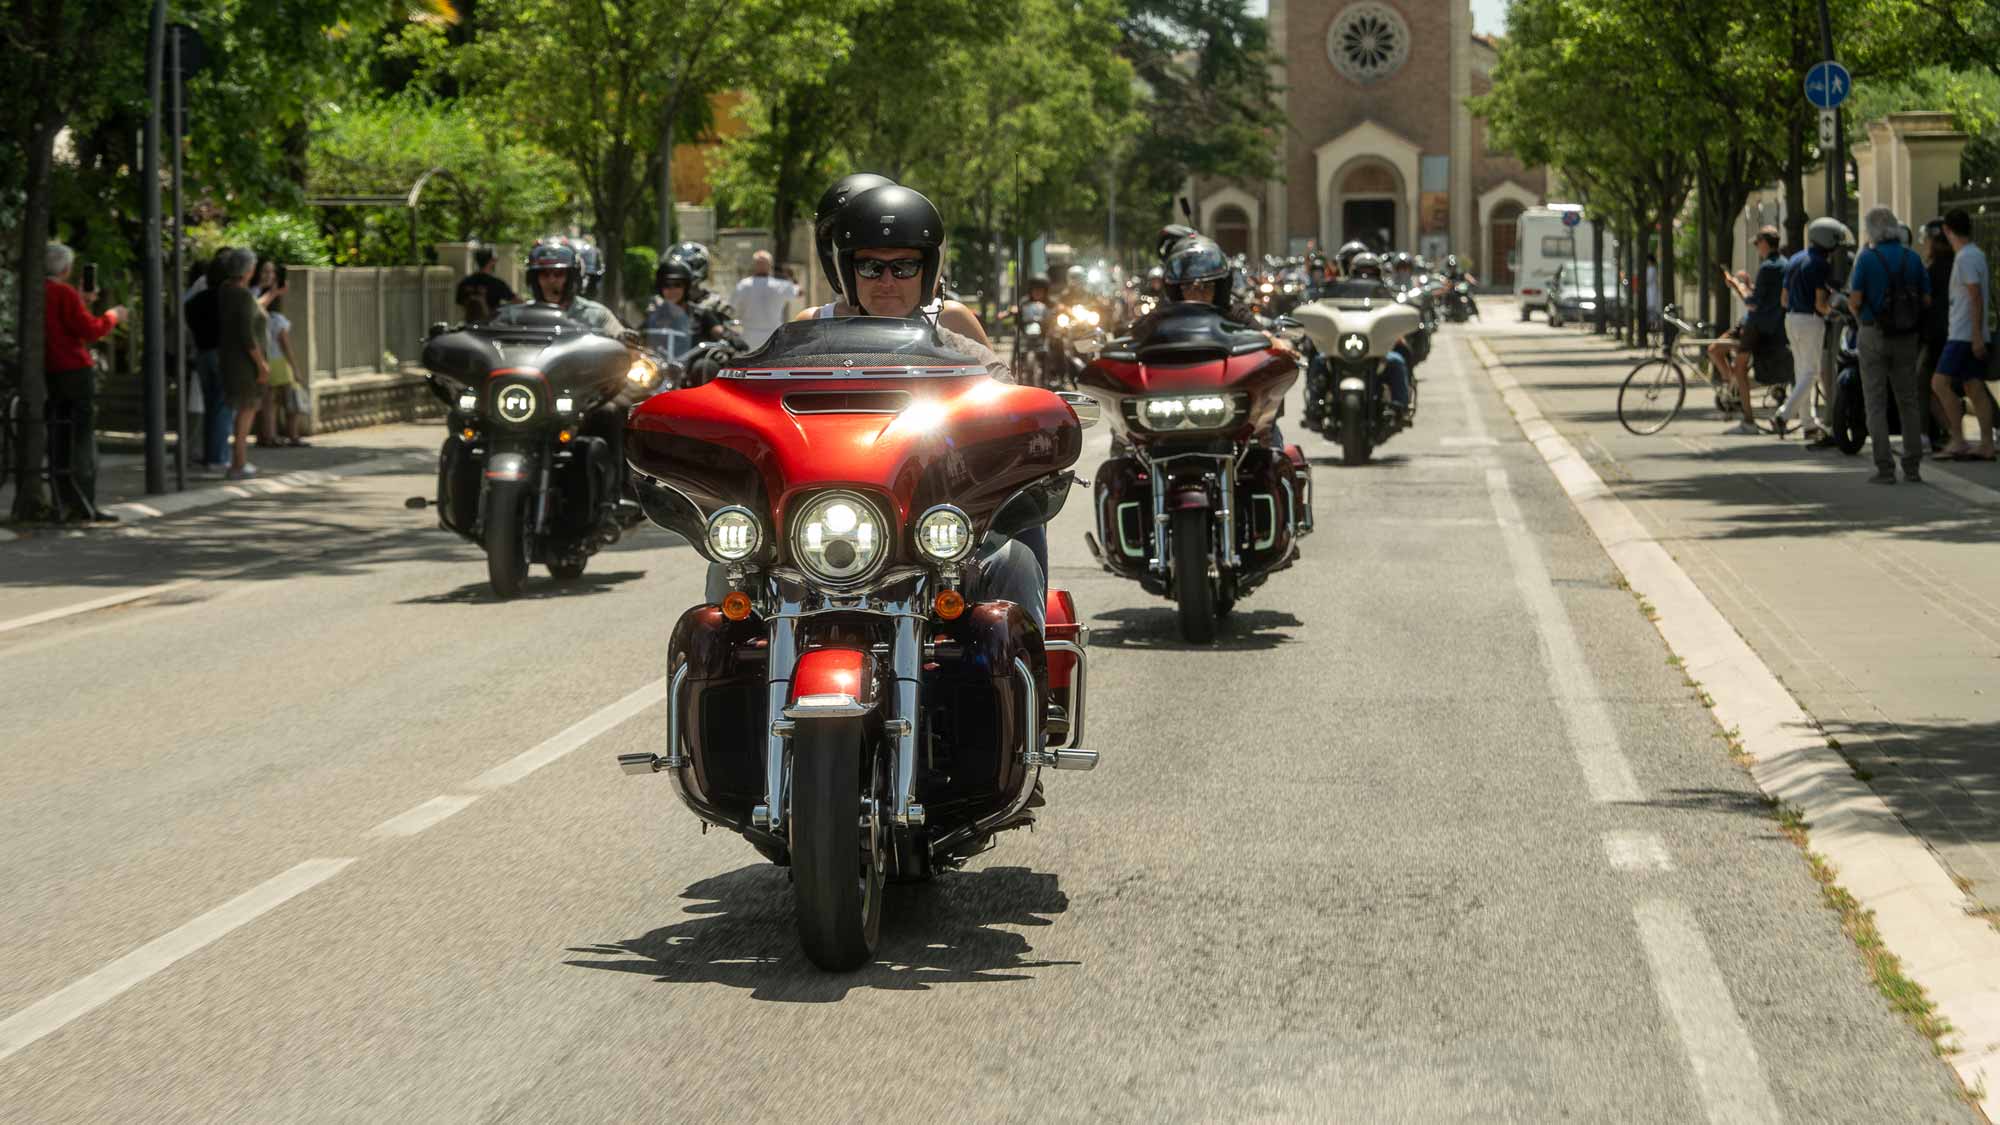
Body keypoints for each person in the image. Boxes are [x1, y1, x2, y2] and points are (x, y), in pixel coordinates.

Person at [791, 173, 992, 346]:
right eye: (869, 266)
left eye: (905, 266)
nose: (887, 282)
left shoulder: (952, 320)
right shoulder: (815, 323)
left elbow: (997, 386)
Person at [1845, 205, 1932, 483]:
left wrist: (1860, 317)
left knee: (1875, 402)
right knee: (1908, 401)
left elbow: (1855, 299)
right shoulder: (1912, 258)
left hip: (1873, 333)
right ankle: (1913, 466)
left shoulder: (1867, 259)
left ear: (1871, 230)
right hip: (1907, 336)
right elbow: (1927, 300)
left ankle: (1884, 468)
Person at [42, 241, 126, 521]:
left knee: (59, 436)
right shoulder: (64, 293)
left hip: (50, 370)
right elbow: (89, 329)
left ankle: (62, 497)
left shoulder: (40, 292)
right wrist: (113, 316)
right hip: (74, 370)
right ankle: (83, 500)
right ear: (65, 269)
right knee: (82, 437)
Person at [1932, 208, 1994, 461]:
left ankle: (1958, 439)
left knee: (1938, 383)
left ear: (1948, 230)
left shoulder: (1965, 258)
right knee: (1974, 387)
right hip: (1970, 332)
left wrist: (1976, 335)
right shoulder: (1975, 254)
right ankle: (1987, 444)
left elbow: (1975, 295)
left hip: (1963, 334)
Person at [1776, 218, 1845, 440]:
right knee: (1812, 372)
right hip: (1810, 321)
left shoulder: (1795, 258)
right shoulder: (1820, 264)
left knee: (1801, 372)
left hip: (1791, 319)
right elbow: (1820, 304)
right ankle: (1784, 414)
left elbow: (1784, 299)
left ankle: (1808, 424)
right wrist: (1835, 313)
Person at [1712, 227, 1785, 433]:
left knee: (1740, 368)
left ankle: (1748, 420)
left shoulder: (1768, 267)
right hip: (1771, 325)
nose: (1756, 248)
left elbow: (1752, 303)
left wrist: (1736, 285)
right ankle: (1735, 391)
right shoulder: (1784, 265)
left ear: (1764, 243)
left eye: (1757, 243)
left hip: (1756, 326)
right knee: (1721, 352)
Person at [215, 247, 268, 479]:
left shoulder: (225, 291)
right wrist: (261, 364)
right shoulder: (242, 295)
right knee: (247, 409)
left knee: (242, 410)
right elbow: (247, 335)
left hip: (230, 358)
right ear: (248, 269)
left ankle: (237, 461)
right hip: (244, 362)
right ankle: (239, 462)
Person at [184, 252, 231, 468]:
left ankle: (209, 454)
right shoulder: (227, 299)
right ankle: (218, 456)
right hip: (222, 354)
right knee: (222, 406)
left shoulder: (194, 302)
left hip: (203, 354)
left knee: (210, 405)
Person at [525, 238, 624, 334]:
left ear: (571, 278)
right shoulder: (520, 315)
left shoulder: (597, 315)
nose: (551, 280)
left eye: (559, 273)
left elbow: (628, 346)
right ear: (534, 279)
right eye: (544, 274)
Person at [257, 265, 308, 448]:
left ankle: (268, 435)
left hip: (264, 358)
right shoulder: (278, 320)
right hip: (279, 362)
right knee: (290, 399)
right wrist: (295, 369)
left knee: (268, 402)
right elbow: (286, 346)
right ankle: (292, 434)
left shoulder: (261, 318)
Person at [732, 249, 797, 349]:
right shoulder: (782, 285)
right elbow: (798, 293)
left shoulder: (743, 285)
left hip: (750, 336)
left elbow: (732, 306)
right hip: (774, 336)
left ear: (754, 265)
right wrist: (792, 278)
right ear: (770, 265)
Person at [641, 257, 698, 361]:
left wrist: (728, 336)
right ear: (660, 288)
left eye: (677, 285)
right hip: (661, 367)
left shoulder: (700, 314)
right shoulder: (654, 315)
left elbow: (720, 332)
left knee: (704, 366)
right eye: (666, 285)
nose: (672, 290)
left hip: (691, 369)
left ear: (686, 287)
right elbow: (639, 335)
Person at [454, 246, 517, 323]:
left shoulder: (465, 282)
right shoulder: (496, 283)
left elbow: (460, 303)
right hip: (490, 327)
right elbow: (516, 301)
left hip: (469, 326)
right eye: (495, 260)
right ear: (491, 261)